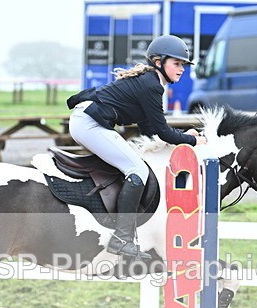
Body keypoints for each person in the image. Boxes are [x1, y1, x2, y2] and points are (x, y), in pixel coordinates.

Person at [66, 35, 206, 261]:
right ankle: (122, 238)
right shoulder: (152, 85)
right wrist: (192, 140)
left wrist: (178, 138)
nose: (181, 69)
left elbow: (148, 128)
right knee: (138, 170)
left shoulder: (151, 81)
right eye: (177, 64)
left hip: (87, 121)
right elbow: (162, 132)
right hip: (88, 124)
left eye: (183, 65)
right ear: (159, 62)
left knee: (133, 165)